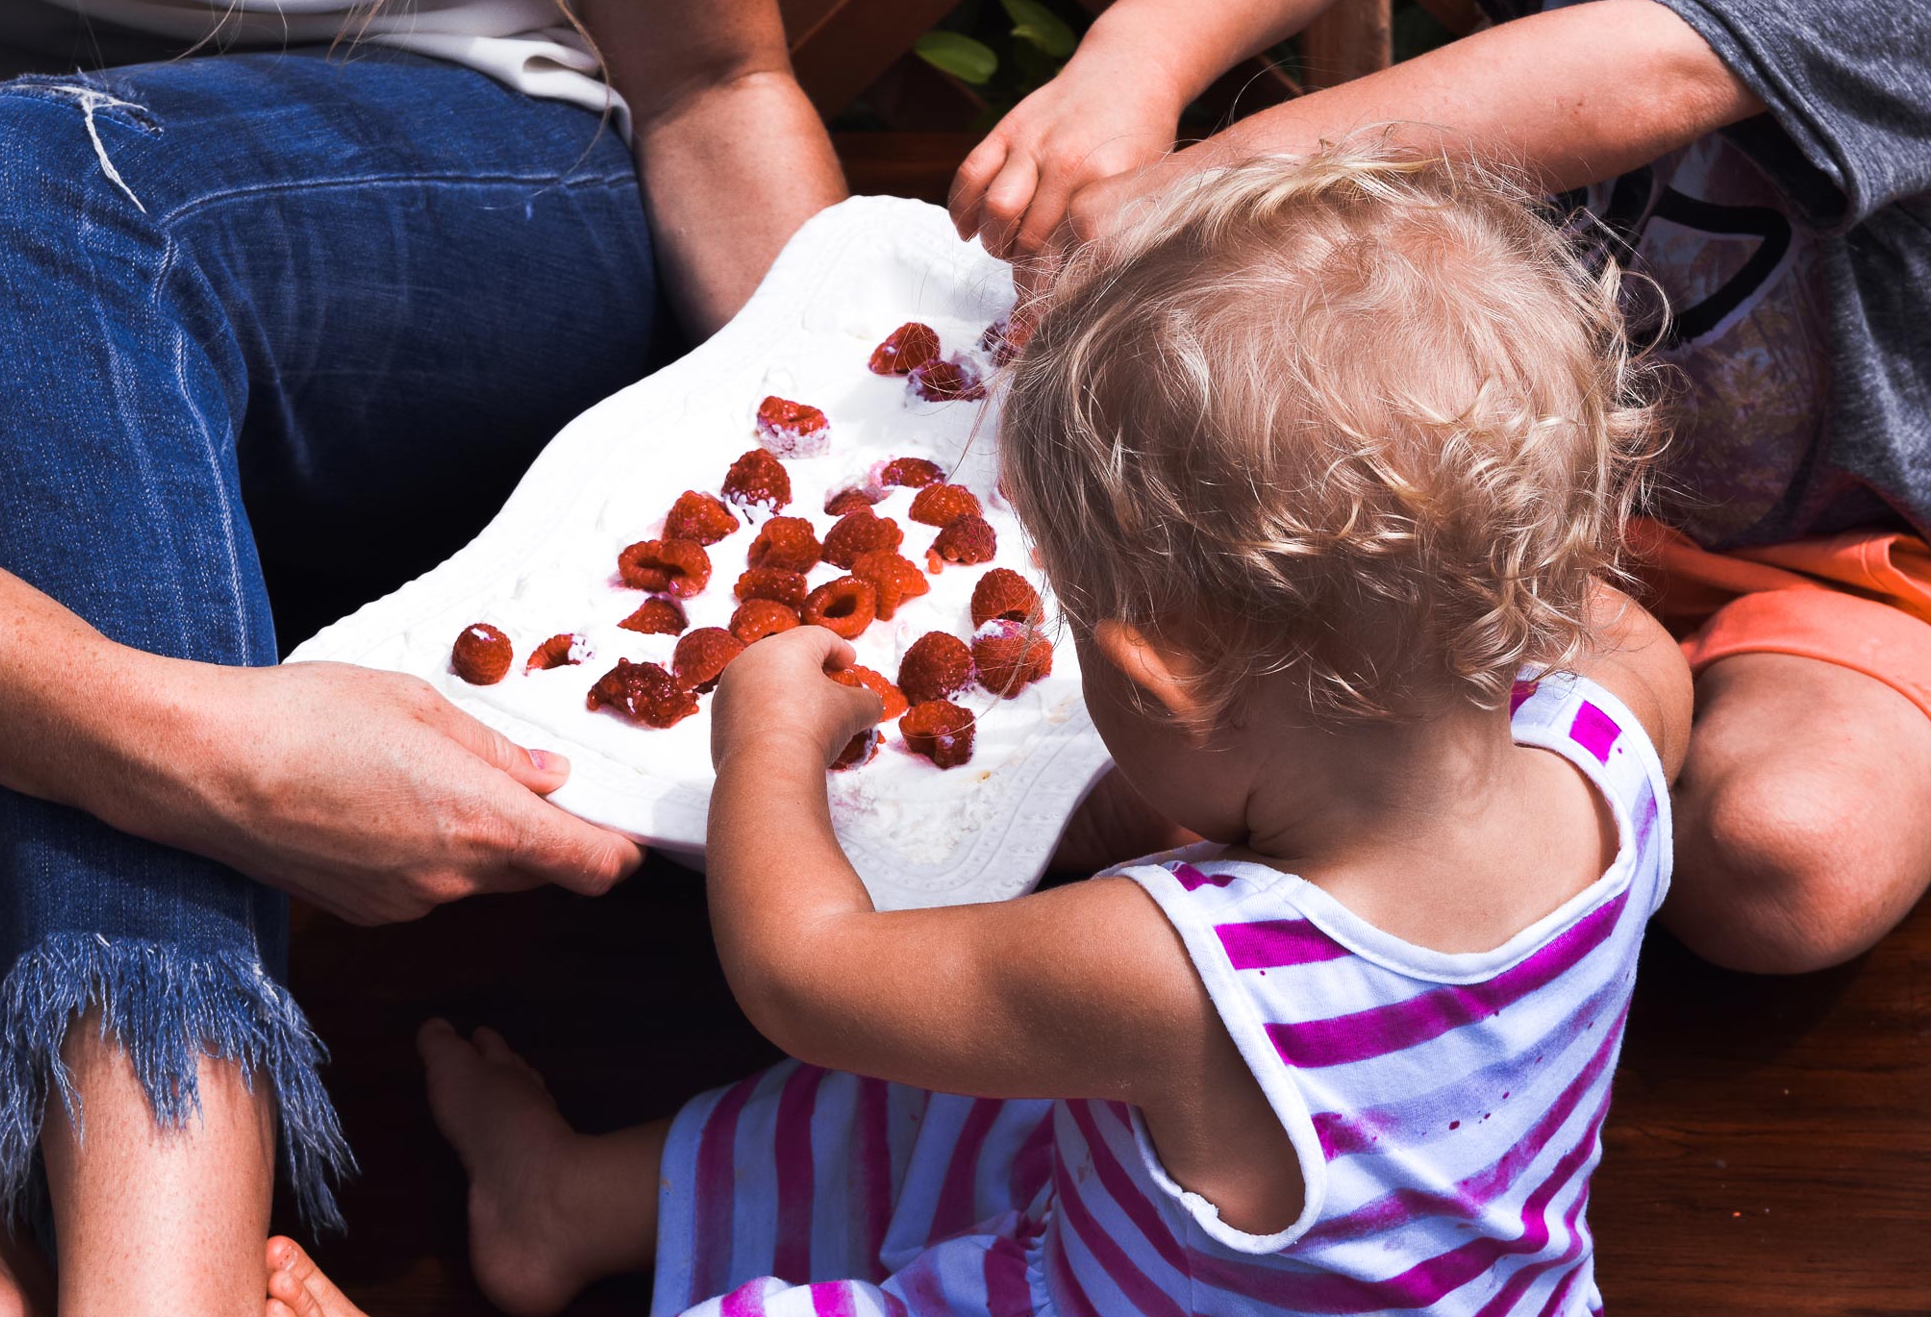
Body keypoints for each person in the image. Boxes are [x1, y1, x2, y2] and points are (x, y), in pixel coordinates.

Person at [265, 145, 1694, 1316]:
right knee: (969, 1107)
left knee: (883, 1083)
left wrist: (764, 739)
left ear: (1162, 674)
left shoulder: (1167, 969)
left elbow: (805, 973)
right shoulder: (1612, 747)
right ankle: (570, 1206)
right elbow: (1618, 642)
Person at [0, 0, 844, 1310]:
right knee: (5, 207)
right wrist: (217, 753)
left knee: (26, 183)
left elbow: (712, 84)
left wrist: (836, 507)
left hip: (477, 227)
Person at [948, 0, 1931, 976]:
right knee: (1154, 794)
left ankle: (1507, 809)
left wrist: (1201, 183)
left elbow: (1657, 67)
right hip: (1508, 510)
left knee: (1781, 863)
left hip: (1856, 562)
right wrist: (1128, 68)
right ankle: (1553, 780)